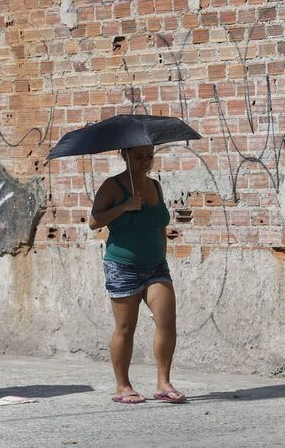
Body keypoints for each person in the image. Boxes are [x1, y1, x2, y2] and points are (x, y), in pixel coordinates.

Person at [89, 145, 185, 404]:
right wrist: (124, 206)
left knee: (167, 322)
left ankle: (164, 383)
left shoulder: (155, 186)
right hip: (122, 266)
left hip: (156, 266)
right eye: (138, 156)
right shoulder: (113, 186)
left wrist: (162, 254)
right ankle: (123, 386)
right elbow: (94, 221)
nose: (145, 161)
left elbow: (160, 225)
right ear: (124, 156)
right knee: (125, 328)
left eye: (149, 156)